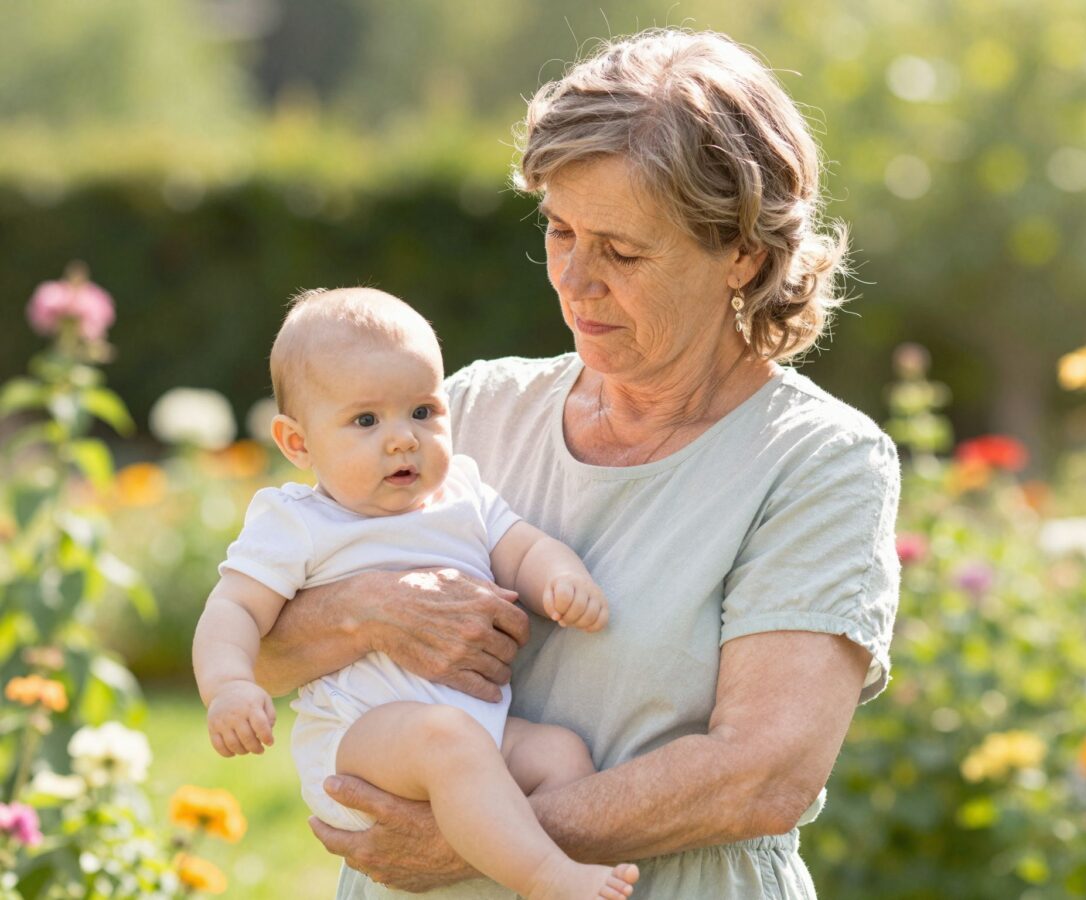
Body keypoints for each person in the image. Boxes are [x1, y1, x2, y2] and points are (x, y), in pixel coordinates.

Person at [256, 28, 901, 899]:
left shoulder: (817, 462)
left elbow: (764, 772)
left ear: (743, 254)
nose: (575, 278)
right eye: (560, 230)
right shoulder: (468, 410)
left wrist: (477, 838)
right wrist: (368, 611)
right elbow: (258, 652)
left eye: (623, 252)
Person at [192, 287, 640, 900]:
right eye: (366, 421)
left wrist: (562, 580)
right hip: (358, 744)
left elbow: (524, 548)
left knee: (558, 755)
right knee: (446, 740)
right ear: (298, 444)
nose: (403, 438)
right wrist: (229, 686)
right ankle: (547, 879)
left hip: (476, 733)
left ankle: (541, 865)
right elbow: (235, 608)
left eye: (423, 411)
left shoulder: (463, 494)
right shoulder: (298, 521)